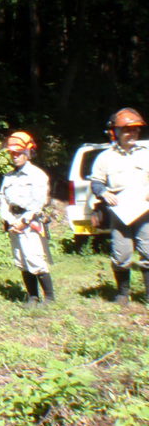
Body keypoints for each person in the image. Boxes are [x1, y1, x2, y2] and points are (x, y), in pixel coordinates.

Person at [90, 107, 149, 305]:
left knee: (148, 252)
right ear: (117, 132)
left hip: (144, 210)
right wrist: (104, 193)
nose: (132, 134)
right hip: (120, 212)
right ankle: (123, 294)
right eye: (127, 130)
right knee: (121, 253)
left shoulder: (146, 153)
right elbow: (96, 182)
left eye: (135, 130)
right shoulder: (105, 157)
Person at [0, 131, 54, 307]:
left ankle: (49, 298)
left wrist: (24, 221)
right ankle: (32, 297)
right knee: (21, 260)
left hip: (31, 223)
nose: (14, 156)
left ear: (28, 152)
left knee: (35, 259)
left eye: (18, 153)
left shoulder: (37, 175)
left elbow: (39, 202)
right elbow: (3, 200)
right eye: (12, 153)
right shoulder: (8, 177)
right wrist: (9, 219)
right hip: (13, 222)